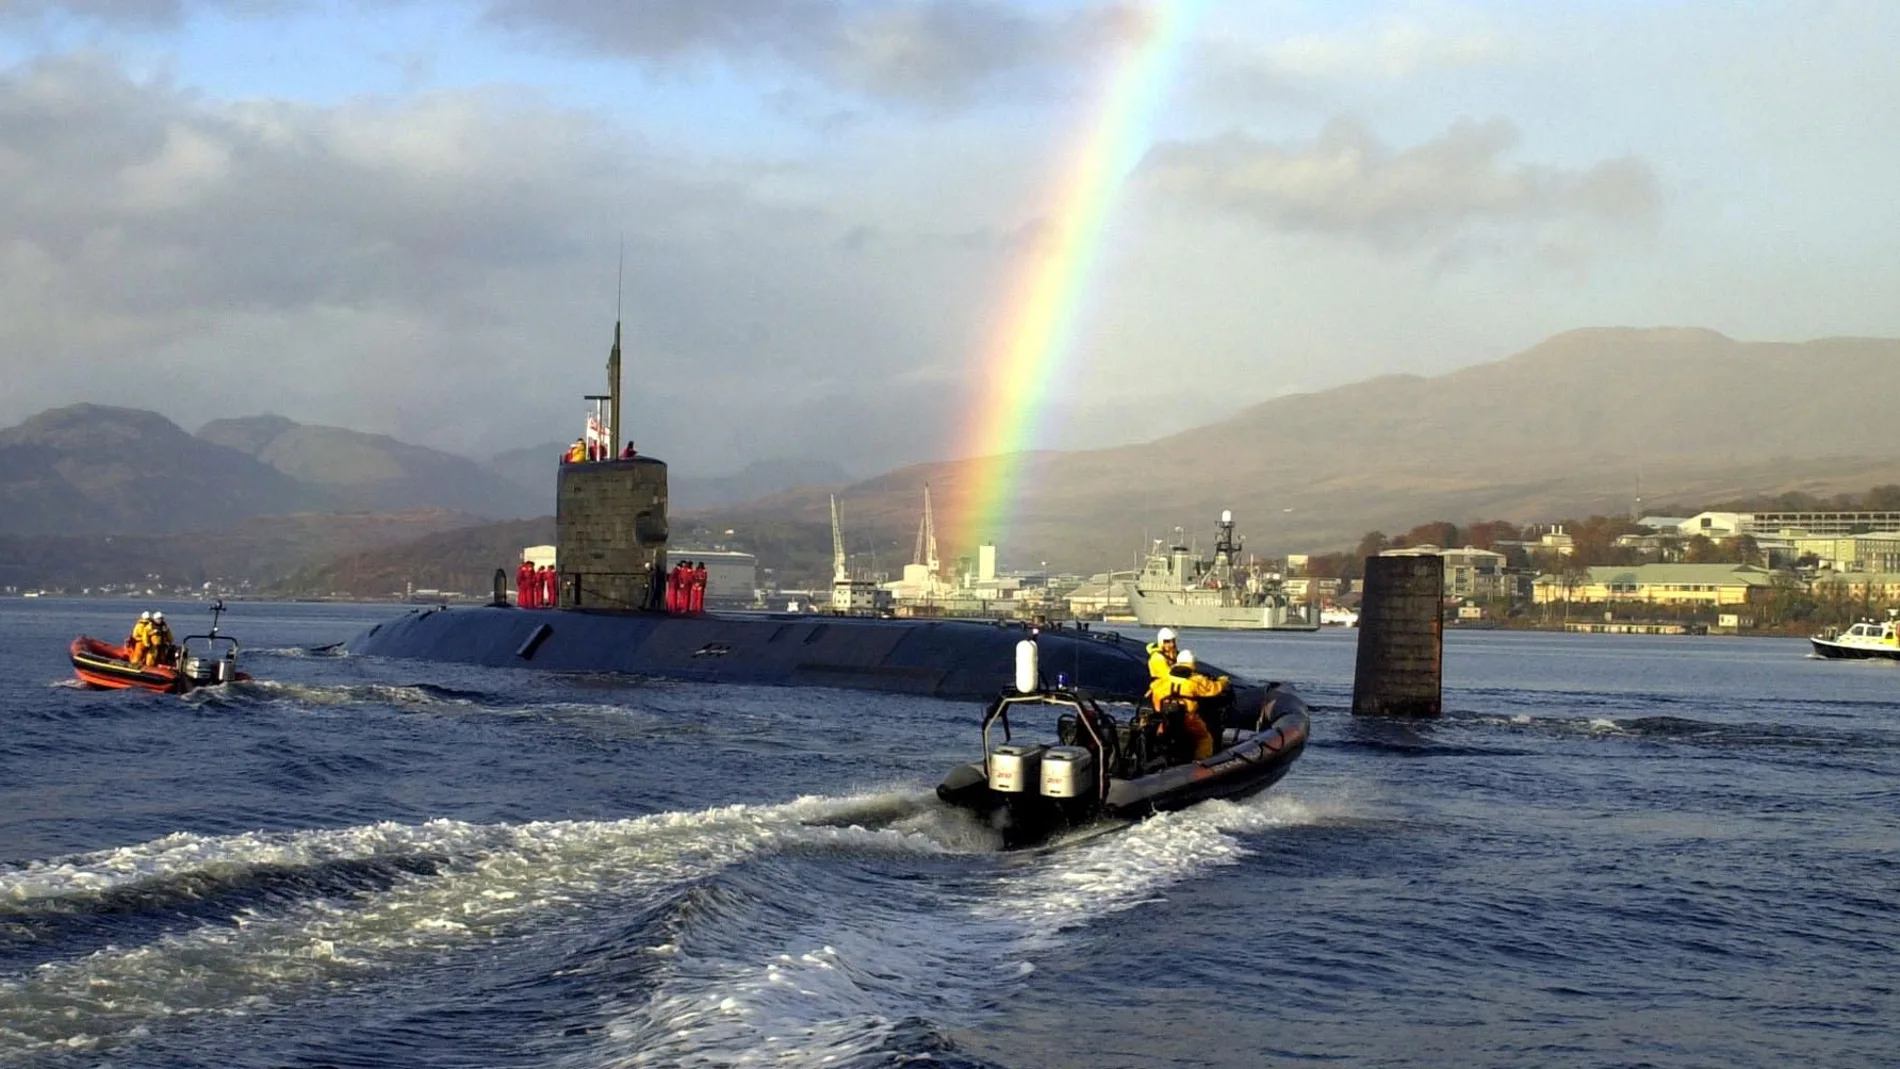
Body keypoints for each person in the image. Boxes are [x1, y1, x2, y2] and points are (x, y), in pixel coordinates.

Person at [1145, 649, 1228, 761]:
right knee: (1204, 738)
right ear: (1192, 663)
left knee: (1160, 734)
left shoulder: (1163, 680)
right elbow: (1213, 689)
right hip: (1188, 718)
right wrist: (1223, 682)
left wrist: (1161, 712)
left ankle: (1155, 755)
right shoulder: (1196, 680)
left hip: (1166, 718)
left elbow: (1155, 696)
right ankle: (1201, 762)